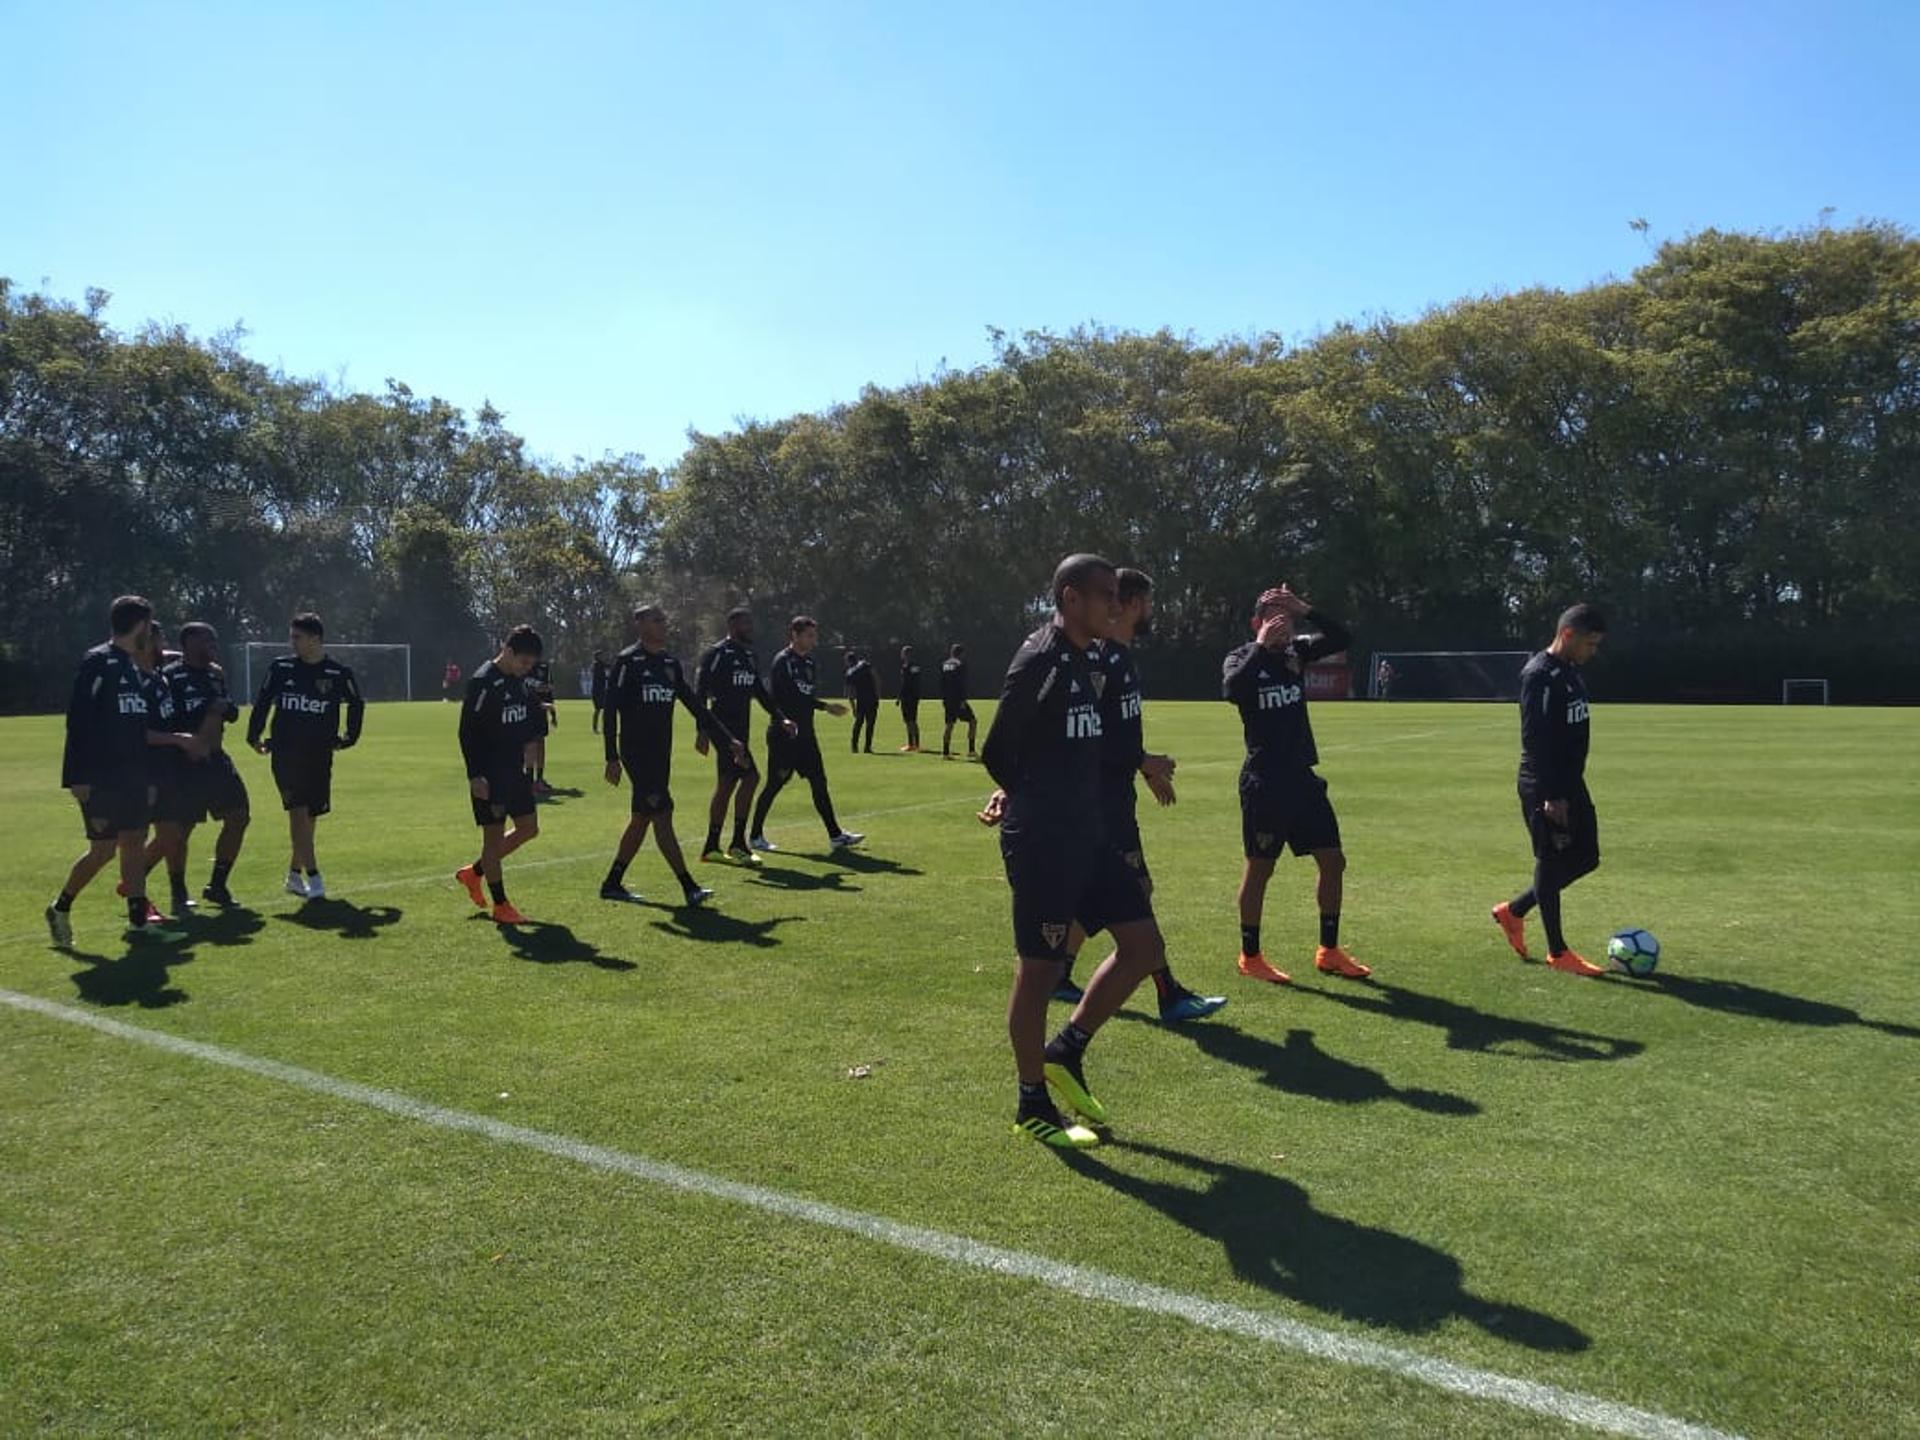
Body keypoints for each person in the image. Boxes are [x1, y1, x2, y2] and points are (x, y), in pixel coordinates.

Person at [979, 554, 1171, 1149]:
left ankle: (1068, 1049)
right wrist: (1026, 800)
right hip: (1045, 841)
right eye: (1104, 595)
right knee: (1038, 971)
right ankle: (1031, 1100)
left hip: (1091, 834)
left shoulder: (1090, 658)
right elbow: (997, 750)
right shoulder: (1040, 658)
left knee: (1143, 947)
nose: (1115, 605)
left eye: (1118, 595)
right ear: (1070, 597)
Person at [1055, 569, 1227, 1024]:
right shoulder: (1101, 660)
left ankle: (1057, 975)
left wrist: (1142, 766)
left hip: (1115, 797)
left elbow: (1119, 732)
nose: (1152, 610)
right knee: (1136, 892)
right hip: (1102, 803)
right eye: (1147, 601)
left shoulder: (1123, 658)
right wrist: (1142, 760)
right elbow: (1091, 735)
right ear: (1130, 604)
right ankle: (1169, 994)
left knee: (1101, 899)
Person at [1223, 585, 1372, 986]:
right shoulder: (1242, 657)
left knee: (1333, 860)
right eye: (1273, 616)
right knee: (1260, 870)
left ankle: (1329, 950)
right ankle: (1250, 955)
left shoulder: (1297, 652)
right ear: (1256, 622)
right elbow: (1233, 690)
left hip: (1303, 779)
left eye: (1286, 617)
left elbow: (1343, 638)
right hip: (1265, 781)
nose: (1282, 624)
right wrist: (1259, 646)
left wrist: (1307, 608)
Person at [46, 596, 204, 948]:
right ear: (141, 625)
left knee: (133, 841)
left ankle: (138, 922)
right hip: (102, 776)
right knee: (102, 851)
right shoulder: (98, 662)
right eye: (151, 625)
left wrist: (147, 777)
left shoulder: (134, 667)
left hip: (134, 775)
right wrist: (77, 777)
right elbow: (79, 720)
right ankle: (60, 908)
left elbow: (135, 727)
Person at [601, 604, 747, 905]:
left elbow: (695, 705)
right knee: (662, 814)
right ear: (639, 624)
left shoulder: (669, 663)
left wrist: (728, 739)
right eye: (657, 620)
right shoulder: (627, 662)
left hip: (660, 754)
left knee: (642, 817)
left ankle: (612, 882)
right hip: (636, 754)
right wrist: (611, 756)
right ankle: (689, 886)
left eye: (664, 620)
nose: (663, 625)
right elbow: (611, 709)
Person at [1492, 604, 1609, 976]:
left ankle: (1514, 911)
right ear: (1569, 635)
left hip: (1571, 782)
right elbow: (1535, 739)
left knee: (1587, 857)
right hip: (1546, 784)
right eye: (1590, 644)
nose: (1593, 652)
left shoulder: (1569, 670)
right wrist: (1551, 794)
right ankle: (1558, 952)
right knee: (1552, 858)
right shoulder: (1539, 675)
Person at [246, 612, 364, 900]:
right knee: (297, 811)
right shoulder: (281, 668)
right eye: (292, 636)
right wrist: (253, 735)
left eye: (297, 637)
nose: (292, 642)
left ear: (316, 639)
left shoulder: (337, 673)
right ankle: (315, 877)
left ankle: (294, 875)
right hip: (285, 754)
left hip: (320, 755)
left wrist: (349, 737)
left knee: (310, 816)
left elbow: (356, 704)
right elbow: (262, 702)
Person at [152, 622, 251, 909]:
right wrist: (206, 709)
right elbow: (170, 717)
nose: (213, 644)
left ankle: (217, 886)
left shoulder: (217, 673)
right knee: (179, 832)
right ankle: (177, 891)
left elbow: (230, 710)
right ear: (189, 642)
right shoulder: (170, 676)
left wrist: (224, 708)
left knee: (239, 817)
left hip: (216, 759)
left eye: (214, 640)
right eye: (207, 639)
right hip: (184, 762)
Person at [454, 626, 548, 925]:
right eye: (524, 662)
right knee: (492, 840)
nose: (527, 668)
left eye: (531, 664)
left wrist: (533, 739)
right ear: (507, 651)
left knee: (529, 828)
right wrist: (475, 775)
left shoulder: (517, 681)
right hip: (490, 774)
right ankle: (500, 905)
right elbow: (467, 731)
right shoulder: (483, 682)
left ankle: (474, 873)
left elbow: (531, 709)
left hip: (514, 771)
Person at [748, 616, 864, 851]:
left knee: (819, 782)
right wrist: (823, 707)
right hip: (784, 734)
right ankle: (755, 836)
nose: (814, 640)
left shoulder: (810, 663)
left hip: (806, 735)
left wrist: (823, 707)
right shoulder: (783, 661)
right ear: (795, 635)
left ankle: (835, 835)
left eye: (814, 635)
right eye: (809, 635)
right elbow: (788, 697)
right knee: (775, 784)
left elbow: (805, 698)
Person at [693, 607, 795, 865]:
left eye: (751, 623)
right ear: (732, 626)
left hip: (742, 729)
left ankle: (713, 847)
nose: (750, 628)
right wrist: (702, 730)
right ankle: (737, 844)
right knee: (750, 777)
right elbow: (700, 692)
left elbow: (760, 692)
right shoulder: (717, 654)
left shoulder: (750, 655)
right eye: (745, 624)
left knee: (728, 783)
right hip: (722, 728)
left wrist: (780, 717)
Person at [525, 656, 557, 794]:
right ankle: (529, 782)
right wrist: (538, 687)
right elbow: (525, 684)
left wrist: (552, 713)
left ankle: (539, 779)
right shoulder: (524, 665)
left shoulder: (544, 667)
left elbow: (549, 688)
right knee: (530, 746)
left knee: (540, 745)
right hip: (529, 710)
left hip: (541, 711)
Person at [939, 643, 977, 759]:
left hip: (948, 699)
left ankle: (945, 752)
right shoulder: (961, 665)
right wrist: (962, 700)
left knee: (949, 724)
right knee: (973, 721)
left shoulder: (944, 665)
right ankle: (971, 750)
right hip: (958, 699)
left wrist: (944, 698)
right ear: (961, 654)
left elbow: (942, 683)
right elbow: (962, 684)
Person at [844, 648, 880, 753]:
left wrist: (853, 708)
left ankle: (854, 747)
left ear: (848, 661)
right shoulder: (865, 664)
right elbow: (876, 677)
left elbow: (849, 693)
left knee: (858, 723)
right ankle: (867, 747)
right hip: (872, 698)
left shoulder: (850, 672)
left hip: (861, 700)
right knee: (870, 724)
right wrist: (878, 694)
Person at [896, 645, 923, 752]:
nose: (901, 655)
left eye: (903, 653)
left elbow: (905, 684)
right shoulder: (915, 666)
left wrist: (899, 697)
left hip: (908, 696)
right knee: (911, 720)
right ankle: (915, 743)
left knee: (910, 720)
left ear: (906, 654)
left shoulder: (907, 667)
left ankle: (913, 744)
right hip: (914, 696)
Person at [590, 650, 610, 735]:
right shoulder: (597, 665)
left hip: (600, 690)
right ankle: (595, 727)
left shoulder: (598, 665)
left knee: (601, 710)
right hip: (597, 691)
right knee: (598, 709)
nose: (603, 657)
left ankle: (599, 727)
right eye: (601, 656)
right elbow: (602, 676)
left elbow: (608, 666)